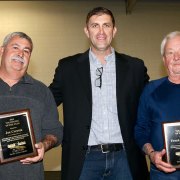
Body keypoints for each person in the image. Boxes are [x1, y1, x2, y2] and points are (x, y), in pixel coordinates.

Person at [49, 7, 149, 180]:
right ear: (87, 31)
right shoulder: (68, 68)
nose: (101, 31)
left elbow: (151, 104)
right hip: (84, 160)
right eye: (95, 25)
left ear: (114, 30)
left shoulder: (135, 67)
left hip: (125, 159)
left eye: (106, 25)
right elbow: (46, 102)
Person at [0, 32, 63, 180]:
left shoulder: (41, 91)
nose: (20, 53)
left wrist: (44, 145)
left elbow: (55, 131)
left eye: (26, 51)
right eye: (15, 47)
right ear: (2, 50)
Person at [134, 31, 180, 179]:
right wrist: (152, 154)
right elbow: (140, 130)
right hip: (163, 174)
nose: (176, 57)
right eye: (170, 53)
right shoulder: (150, 91)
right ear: (164, 59)